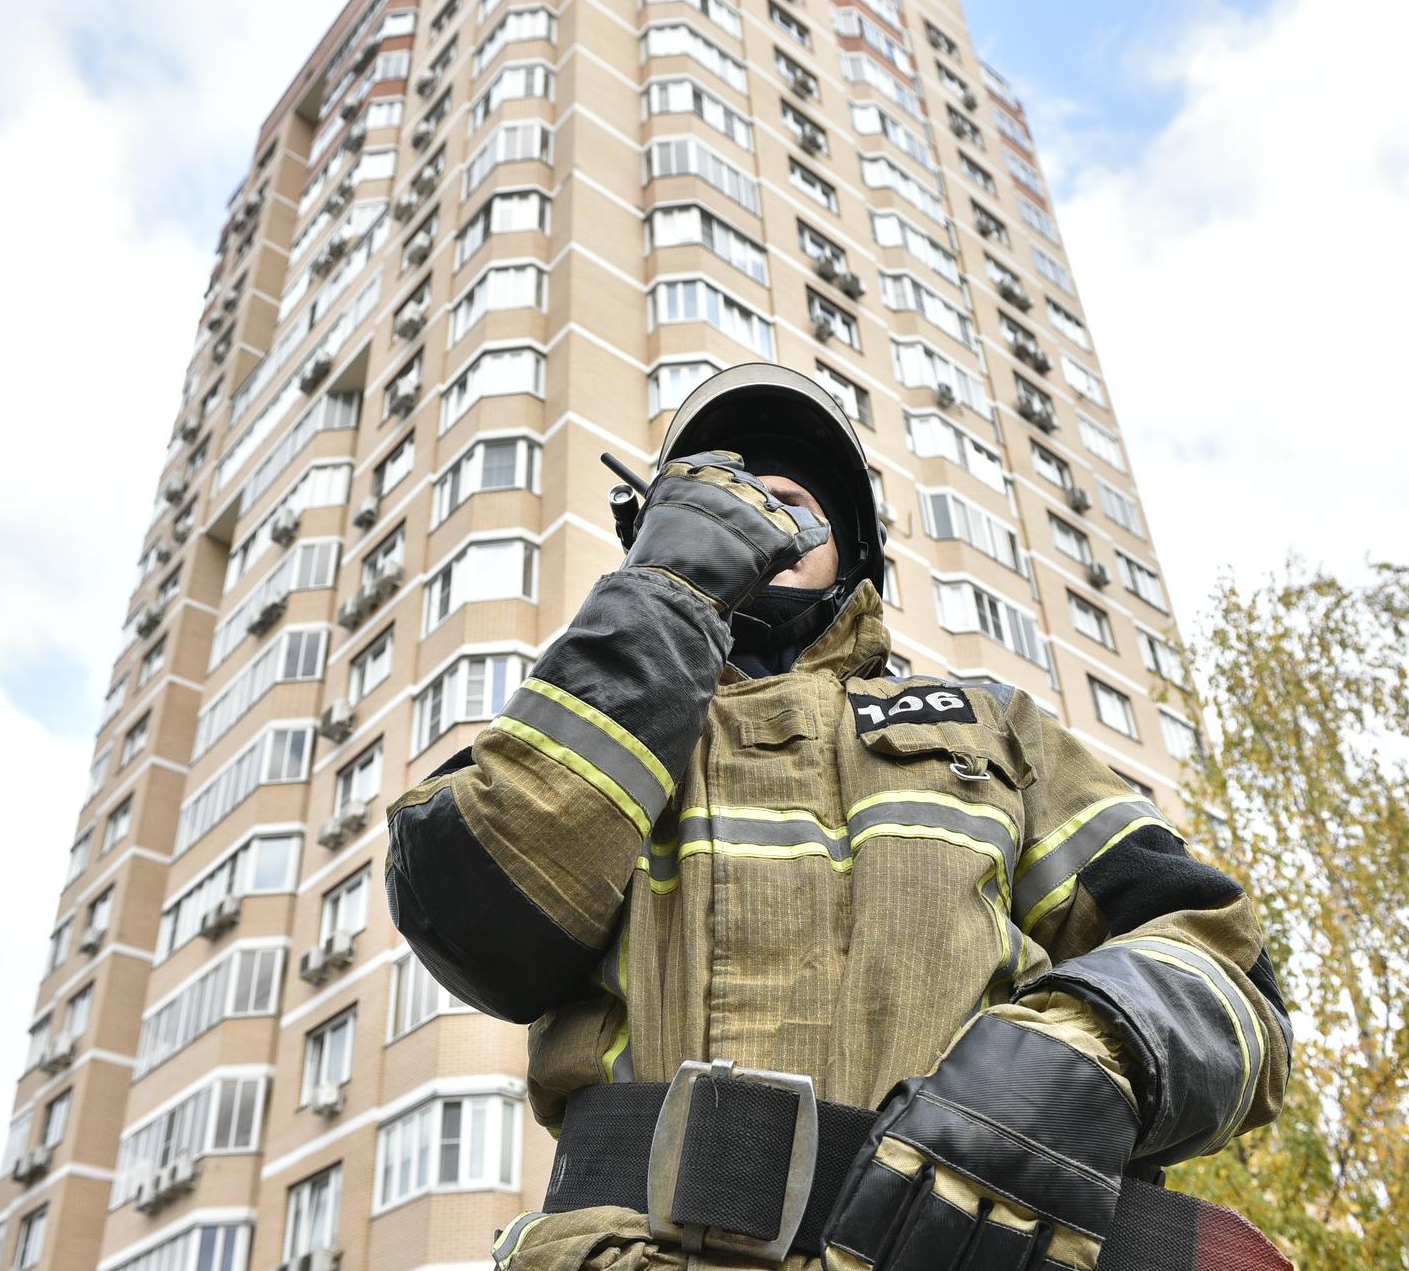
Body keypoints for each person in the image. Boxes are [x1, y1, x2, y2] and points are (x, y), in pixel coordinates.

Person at [386, 364, 1292, 1271]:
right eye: (723, 489)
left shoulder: (992, 729)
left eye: (798, 496)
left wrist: (1084, 1058)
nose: (765, 500)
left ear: (853, 548)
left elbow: (1225, 962)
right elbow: (486, 922)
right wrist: (664, 590)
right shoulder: (593, 711)